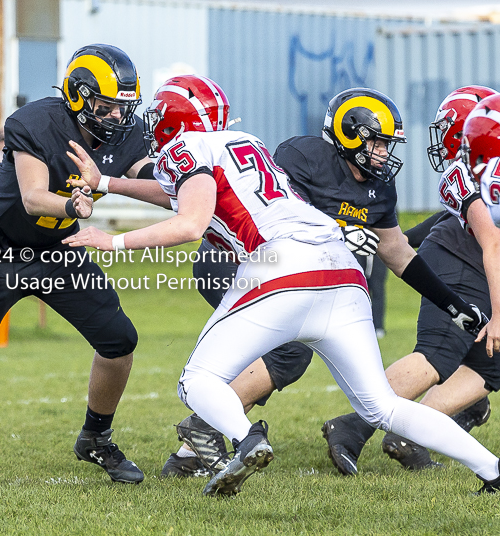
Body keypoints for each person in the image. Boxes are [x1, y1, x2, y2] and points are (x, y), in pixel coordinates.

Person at [63, 74, 500, 497]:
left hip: (284, 263)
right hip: (345, 271)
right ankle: (492, 469)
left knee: (197, 379)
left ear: (171, 122)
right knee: (382, 407)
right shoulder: (247, 142)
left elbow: (192, 221)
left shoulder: (186, 146)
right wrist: (106, 183)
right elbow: (183, 191)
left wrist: (112, 241)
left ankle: (245, 438)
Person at [0, 44, 162, 490]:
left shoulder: (129, 133)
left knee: (119, 341)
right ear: (79, 97)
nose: (118, 117)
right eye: (107, 106)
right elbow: (32, 196)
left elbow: (158, 187)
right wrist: (75, 202)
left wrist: (187, 179)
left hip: (56, 248)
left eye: (125, 107)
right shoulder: (37, 122)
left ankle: (96, 437)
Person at [321, 86, 500, 475]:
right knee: (438, 353)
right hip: (460, 263)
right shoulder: (465, 176)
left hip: (476, 262)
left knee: (492, 364)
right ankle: (351, 427)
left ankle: (413, 432)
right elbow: (487, 239)